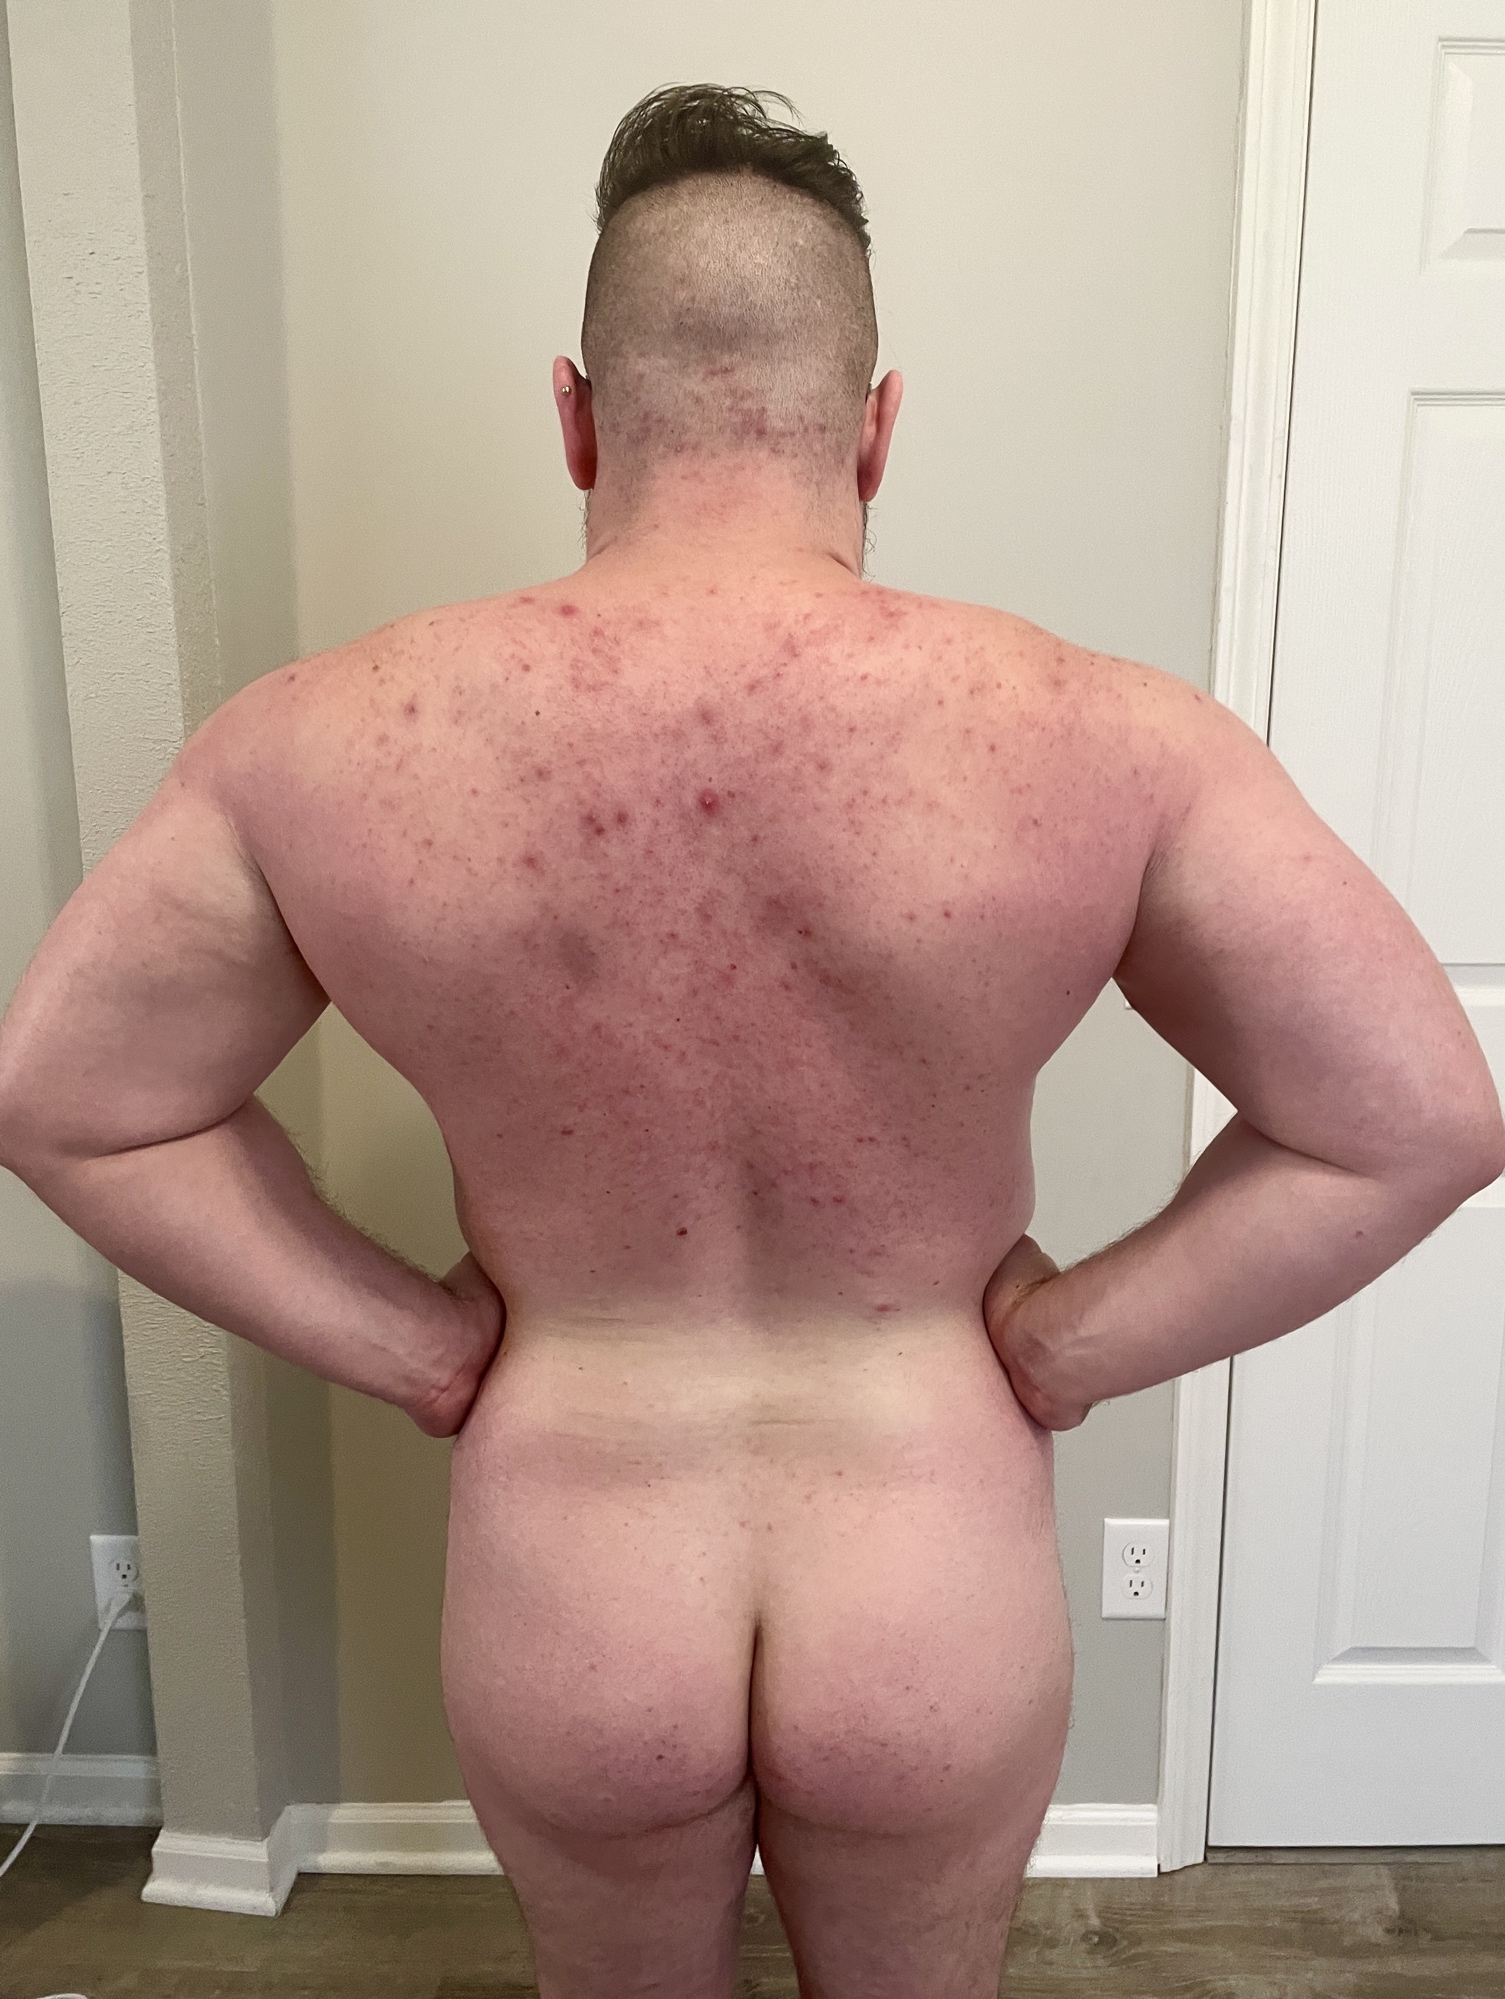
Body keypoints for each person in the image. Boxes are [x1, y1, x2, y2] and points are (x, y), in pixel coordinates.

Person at [0, 81, 1500, 1999]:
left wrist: (415, 1346)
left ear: (573, 415)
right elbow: (1414, 1120)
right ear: (876, 427)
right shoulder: (1108, 735)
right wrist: (1067, 1345)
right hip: (928, 1558)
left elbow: (73, 1104)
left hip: (573, 1568)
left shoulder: (315, 742)